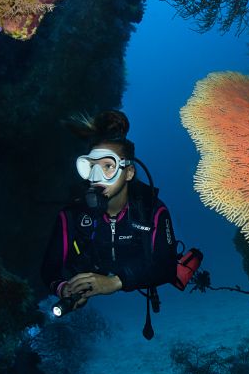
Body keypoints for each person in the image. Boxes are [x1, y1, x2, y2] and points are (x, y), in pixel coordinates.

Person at [41, 110, 178, 316]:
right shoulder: (71, 215)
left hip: (134, 272)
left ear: (128, 172)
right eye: (91, 166)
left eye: (108, 166)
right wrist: (63, 288)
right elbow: (49, 268)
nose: (96, 176)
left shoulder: (152, 210)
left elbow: (167, 267)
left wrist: (115, 282)